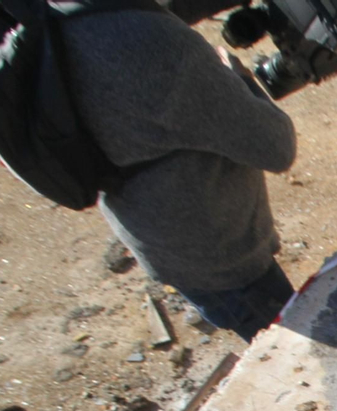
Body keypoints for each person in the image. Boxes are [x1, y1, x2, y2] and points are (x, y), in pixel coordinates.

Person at [61, 0, 297, 340]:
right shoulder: (146, 44)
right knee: (294, 350)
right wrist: (239, 79)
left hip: (165, 238)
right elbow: (275, 146)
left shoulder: (57, 20)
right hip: (221, 255)